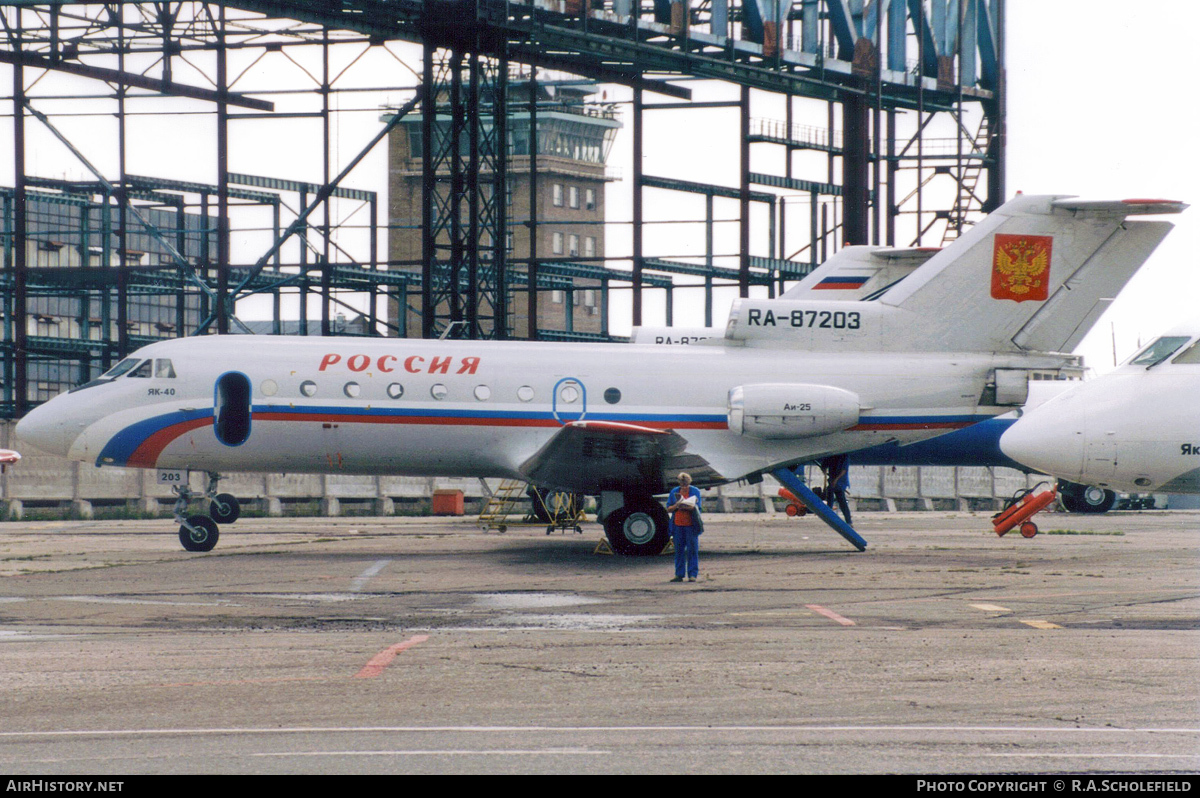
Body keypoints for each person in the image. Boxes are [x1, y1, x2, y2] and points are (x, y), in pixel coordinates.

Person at [666, 471, 703, 582]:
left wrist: (689, 506)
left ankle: (692, 574)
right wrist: (677, 505)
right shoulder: (674, 491)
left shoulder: (695, 491)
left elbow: (698, 507)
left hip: (691, 525)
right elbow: (668, 508)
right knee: (679, 550)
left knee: (692, 550)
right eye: (682, 484)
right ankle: (679, 574)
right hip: (678, 525)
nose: (684, 487)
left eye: (686, 484)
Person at [820, 453, 852, 525]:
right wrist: (824, 469)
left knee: (841, 501)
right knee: (832, 498)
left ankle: (848, 520)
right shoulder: (832, 456)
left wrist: (836, 480)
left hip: (840, 482)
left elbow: (844, 470)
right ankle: (831, 517)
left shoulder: (844, 456)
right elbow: (824, 465)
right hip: (833, 480)